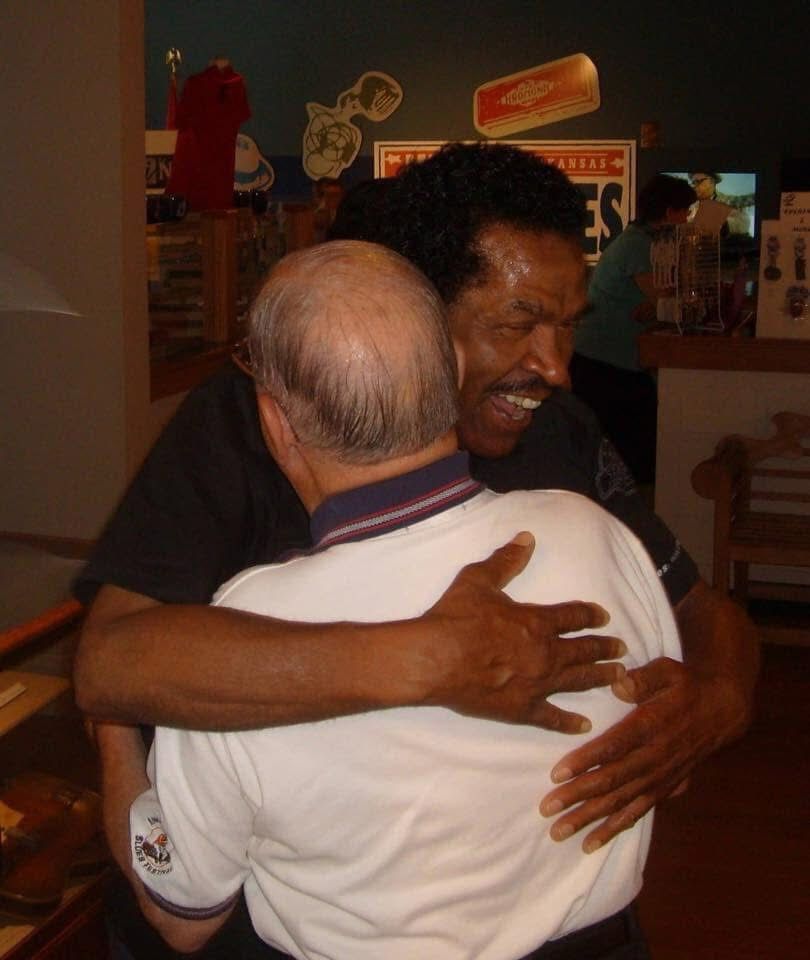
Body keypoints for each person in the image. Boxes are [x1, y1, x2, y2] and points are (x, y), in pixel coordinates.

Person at [75, 143, 758, 957]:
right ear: (415, 313)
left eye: (567, 326)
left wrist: (718, 700)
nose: (556, 366)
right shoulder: (247, 421)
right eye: (519, 322)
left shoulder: (558, 435)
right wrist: (424, 660)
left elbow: (705, 610)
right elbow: (109, 665)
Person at [570, 173, 697, 483]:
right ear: (670, 212)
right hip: (603, 360)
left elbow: (657, 305)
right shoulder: (639, 246)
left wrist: (656, 309)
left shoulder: (640, 241)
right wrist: (661, 307)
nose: (687, 219)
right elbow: (666, 300)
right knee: (634, 438)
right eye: (685, 212)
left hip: (604, 358)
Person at [689, 172, 755, 237]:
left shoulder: (729, 202)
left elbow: (744, 223)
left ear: (712, 181)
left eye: (698, 181)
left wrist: (722, 225)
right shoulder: (690, 205)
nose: (694, 186)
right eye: (693, 183)